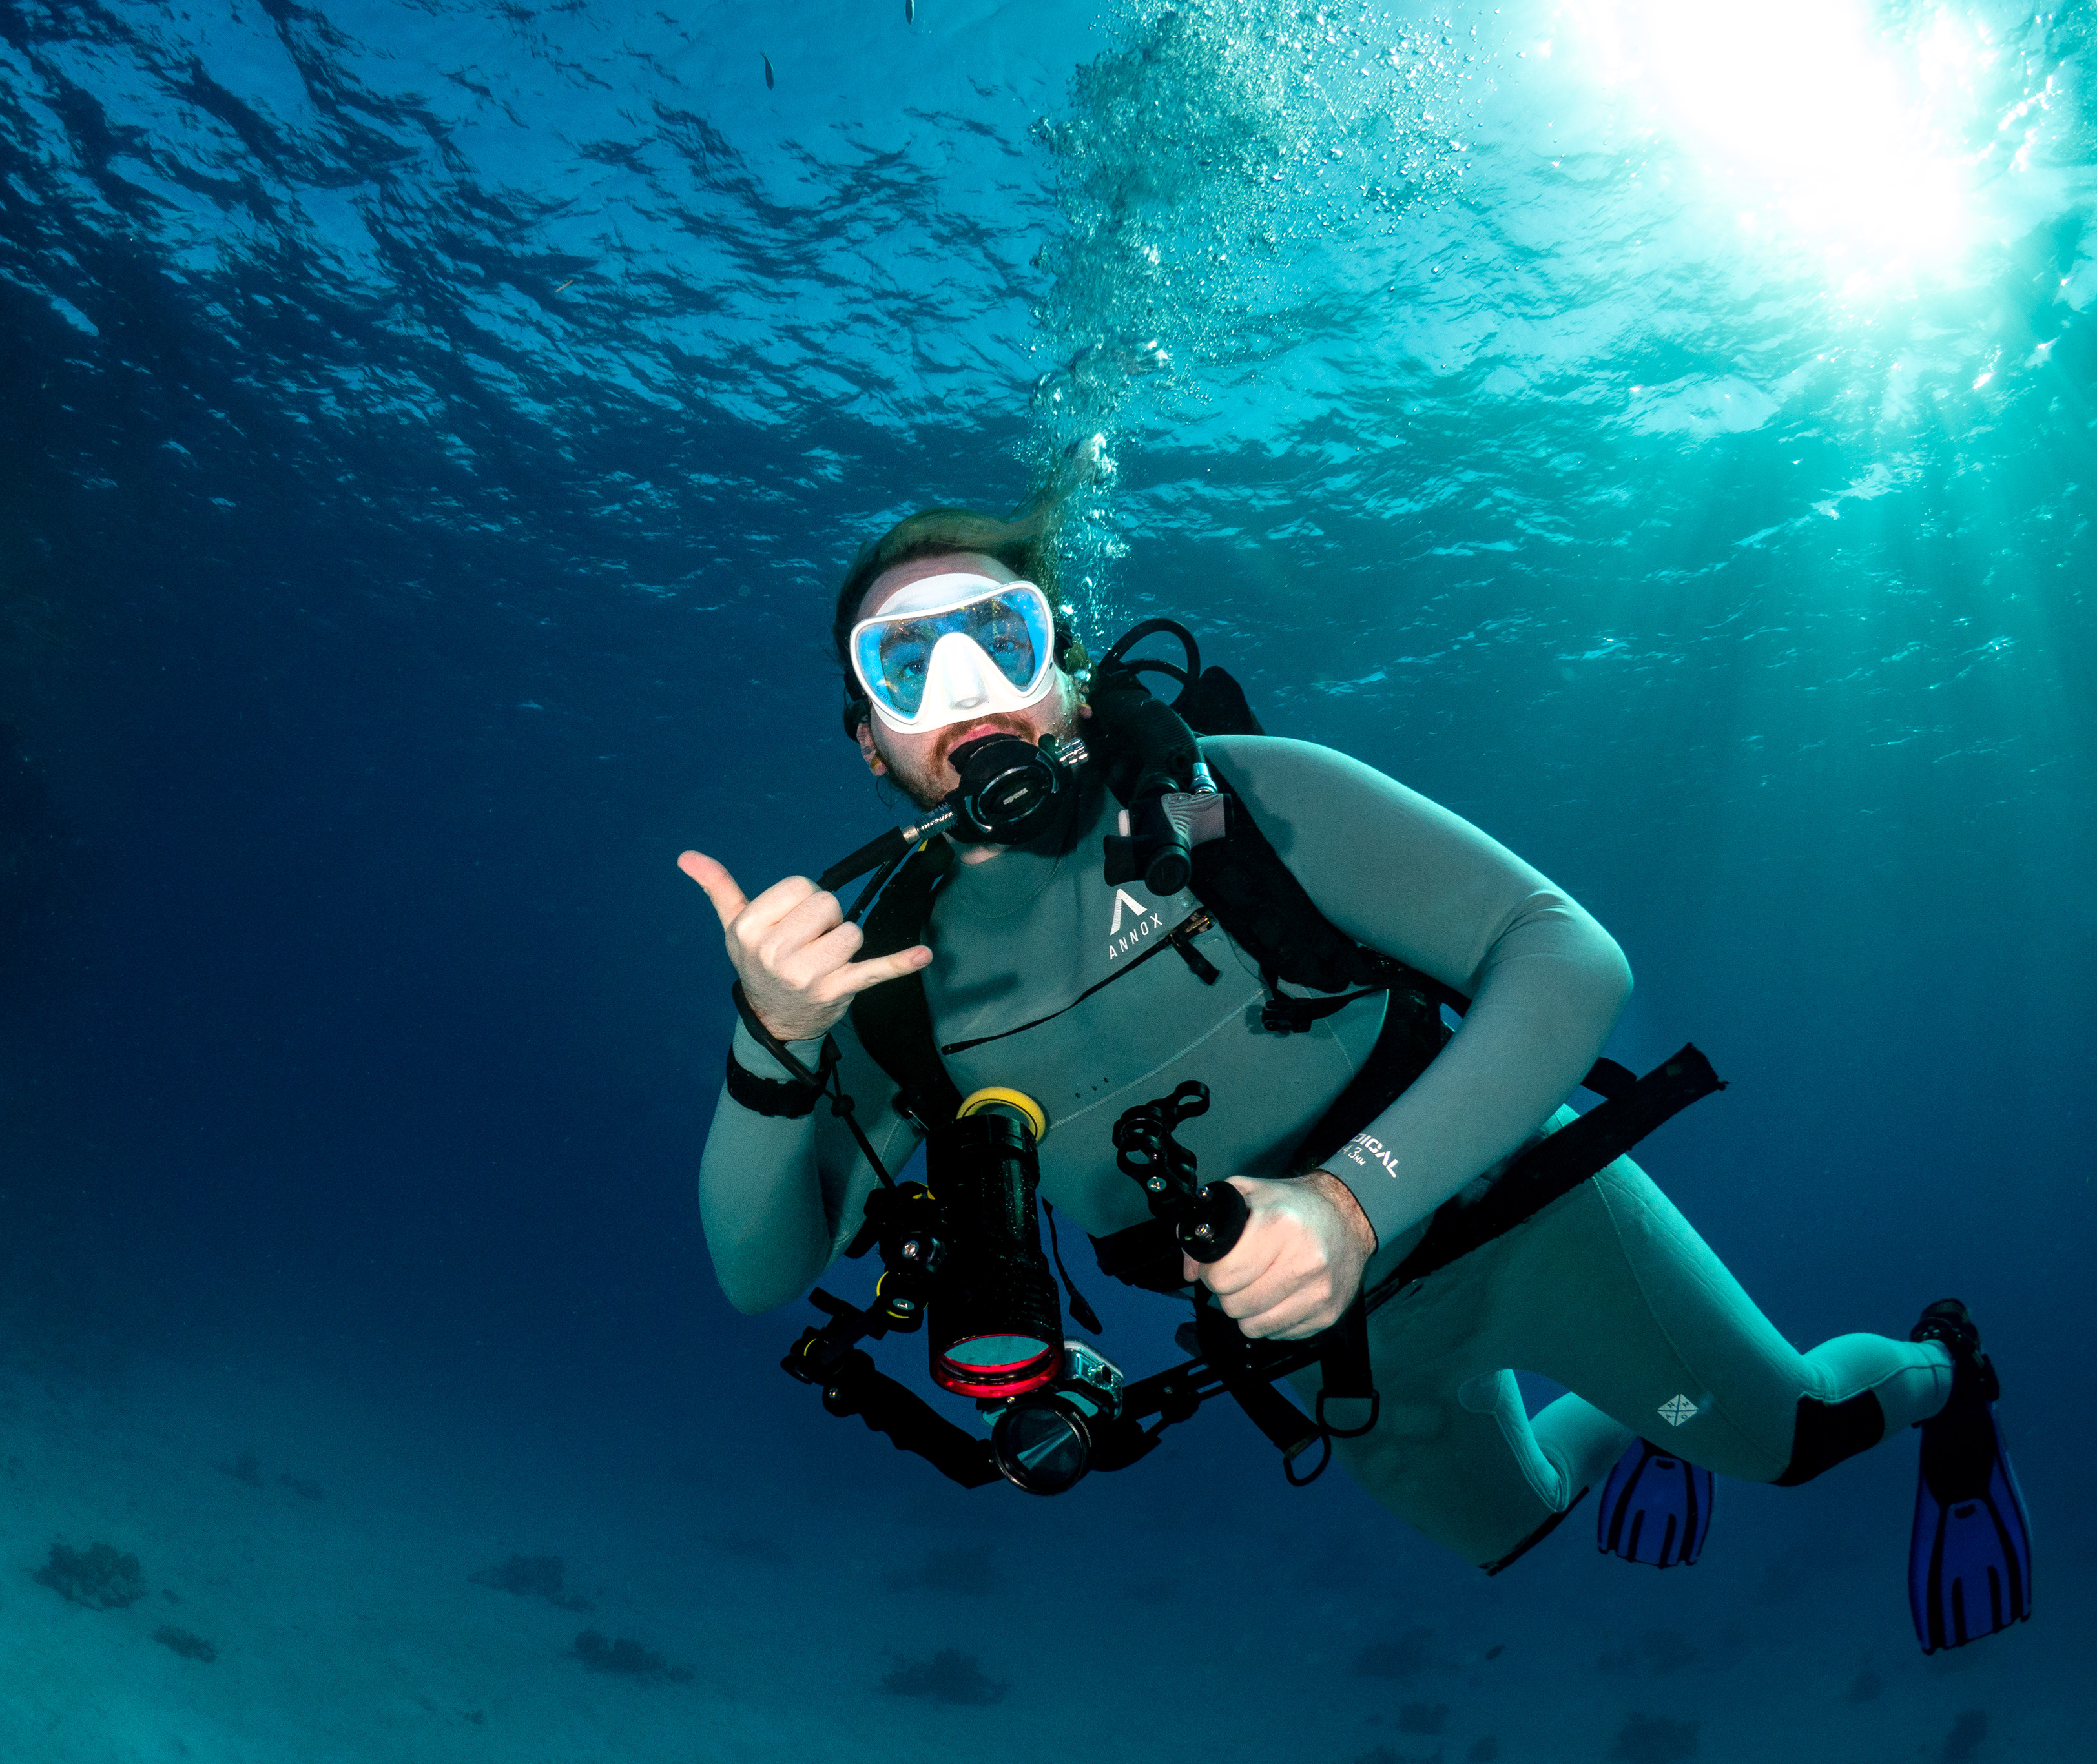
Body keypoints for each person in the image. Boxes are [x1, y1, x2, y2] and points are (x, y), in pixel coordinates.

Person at [676, 455, 2028, 1643]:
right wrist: (772, 1041)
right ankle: (1637, 1411)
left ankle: (1945, 1376)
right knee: (1524, 1519)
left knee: (1790, 1441)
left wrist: (1348, 1204)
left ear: (1069, 670)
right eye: (906, 666)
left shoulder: (1241, 799)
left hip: (1526, 1217)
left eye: (1000, 638)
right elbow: (761, 1274)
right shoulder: (887, 997)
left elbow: (1569, 956)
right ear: (868, 741)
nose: (967, 691)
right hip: (1320, 1352)